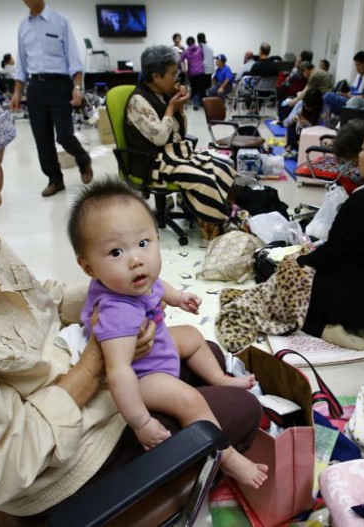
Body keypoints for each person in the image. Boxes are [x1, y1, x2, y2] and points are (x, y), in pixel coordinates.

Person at [0, 30, 261, 516]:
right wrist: (99, 361)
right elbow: (12, 463)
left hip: (77, 382)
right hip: (65, 468)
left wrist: (119, 296)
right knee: (240, 410)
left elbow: (32, 296)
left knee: (202, 349)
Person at [68, 180, 268, 488]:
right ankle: (227, 457)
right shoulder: (116, 312)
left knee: (190, 335)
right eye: (116, 251)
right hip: (143, 376)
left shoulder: (133, 278)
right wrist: (141, 422)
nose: (136, 259)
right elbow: (119, 371)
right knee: (188, 401)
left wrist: (178, 298)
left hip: (154, 348)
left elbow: (157, 285)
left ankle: (219, 380)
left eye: (144, 243)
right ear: (88, 267)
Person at [216, 119, 364, 351]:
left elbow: (332, 255)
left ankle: (321, 326)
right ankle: (359, 323)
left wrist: (300, 261)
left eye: (363, 150)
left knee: (292, 268)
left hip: (349, 299)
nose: (359, 156)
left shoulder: (363, 199)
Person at [126, 45, 235, 226]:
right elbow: (160, 137)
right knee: (205, 179)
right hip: (152, 162)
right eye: (172, 73)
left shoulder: (161, 94)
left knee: (224, 164)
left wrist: (179, 107)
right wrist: (171, 107)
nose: (176, 77)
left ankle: (222, 212)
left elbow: (180, 131)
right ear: (156, 76)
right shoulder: (138, 100)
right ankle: (214, 224)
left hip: (172, 152)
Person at [10, 0, 93, 197]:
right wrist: (17, 91)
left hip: (60, 85)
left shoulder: (60, 21)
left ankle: (83, 159)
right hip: (35, 87)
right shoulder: (23, 27)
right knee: (42, 138)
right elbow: (21, 63)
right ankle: (55, 179)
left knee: (64, 135)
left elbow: (74, 58)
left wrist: (77, 87)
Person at [323, 51, 364, 117]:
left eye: (358, 65)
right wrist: (343, 94)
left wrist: (347, 95)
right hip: (349, 98)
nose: (357, 68)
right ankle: (326, 123)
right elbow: (352, 90)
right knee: (328, 105)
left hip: (356, 103)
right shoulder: (360, 76)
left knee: (328, 95)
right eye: (356, 65)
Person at [282, 61, 335, 129]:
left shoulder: (314, 75)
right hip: (321, 97)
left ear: (306, 70)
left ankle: (288, 120)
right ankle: (289, 120)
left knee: (299, 102)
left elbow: (307, 90)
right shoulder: (317, 72)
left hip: (322, 97)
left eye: (303, 73)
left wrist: (295, 100)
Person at [282, 89, 325, 159]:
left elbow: (323, 131)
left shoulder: (323, 110)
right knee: (292, 124)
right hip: (298, 136)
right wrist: (293, 119)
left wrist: (308, 124)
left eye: (309, 106)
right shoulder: (301, 104)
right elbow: (285, 123)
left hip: (313, 137)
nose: (306, 107)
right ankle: (291, 148)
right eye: (305, 105)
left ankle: (296, 150)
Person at [179, 36, 205, 110]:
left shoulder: (186, 51)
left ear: (187, 43)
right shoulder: (200, 49)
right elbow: (203, 58)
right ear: (194, 42)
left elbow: (181, 60)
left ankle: (195, 102)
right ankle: (200, 102)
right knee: (200, 88)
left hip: (191, 73)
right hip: (200, 72)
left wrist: (184, 69)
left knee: (194, 88)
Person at [197, 33, 215, 102]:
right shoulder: (209, 47)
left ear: (198, 39)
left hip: (202, 69)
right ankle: (208, 100)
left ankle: (203, 101)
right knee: (208, 85)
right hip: (209, 69)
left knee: (201, 86)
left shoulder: (198, 48)